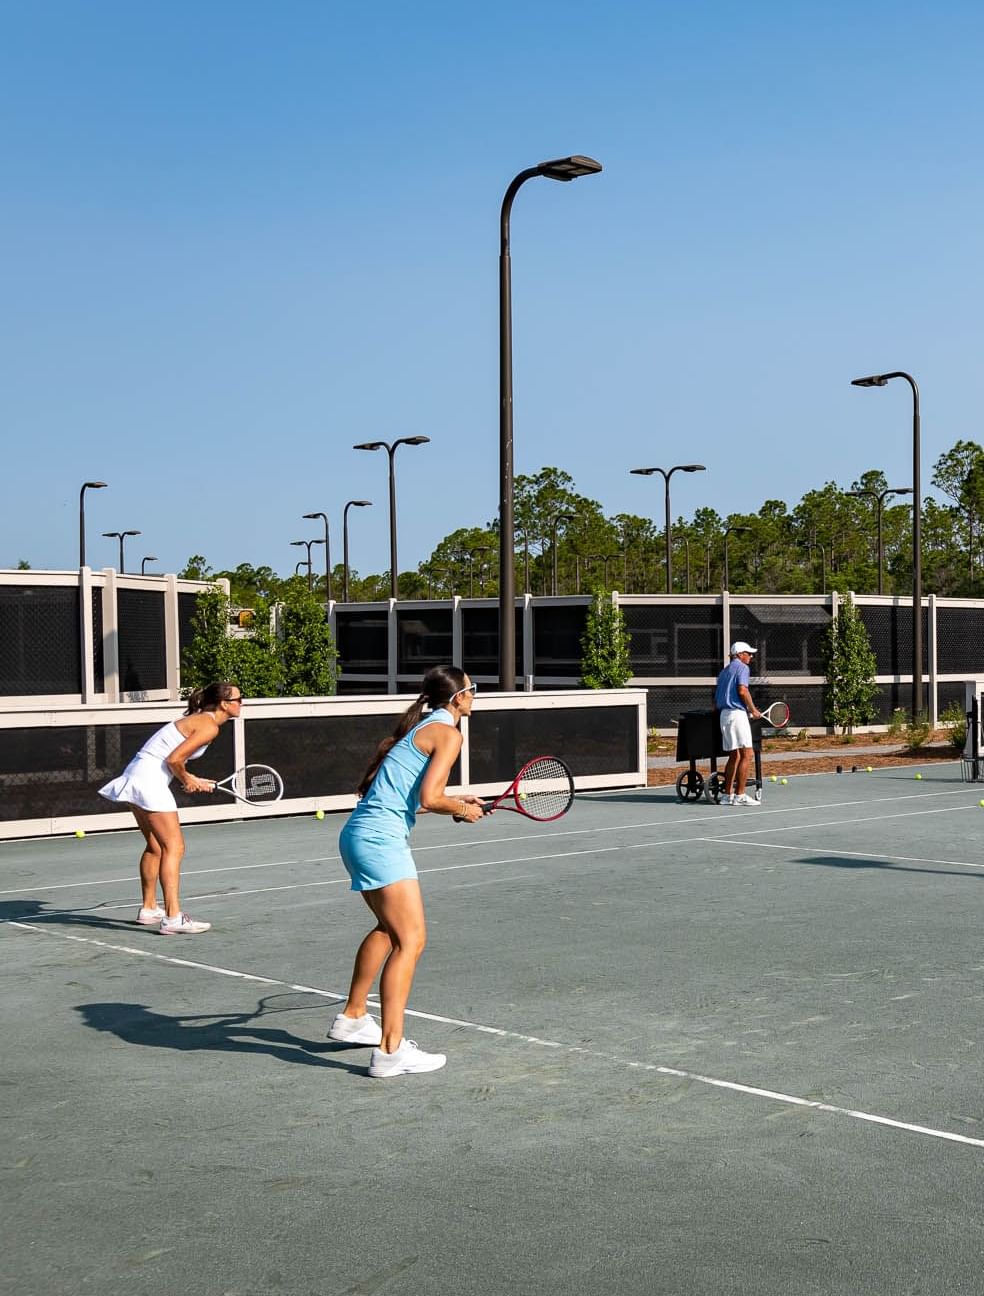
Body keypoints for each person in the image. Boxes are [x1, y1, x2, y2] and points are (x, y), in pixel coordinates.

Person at [329, 664, 484, 1078]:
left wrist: (458, 802)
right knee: (411, 941)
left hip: (359, 835)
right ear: (457, 698)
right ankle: (390, 1051)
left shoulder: (424, 728)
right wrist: (460, 808)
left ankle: (353, 1017)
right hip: (379, 841)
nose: (474, 696)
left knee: (388, 929)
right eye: (473, 689)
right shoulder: (448, 732)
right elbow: (433, 798)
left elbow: (413, 798)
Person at [98, 681, 243, 933]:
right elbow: (173, 759)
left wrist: (192, 779)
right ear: (224, 704)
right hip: (149, 781)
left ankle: (149, 909)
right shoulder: (209, 726)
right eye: (239, 700)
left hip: (136, 774)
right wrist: (187, 779)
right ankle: (173, 917)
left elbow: (172, 760)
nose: (242, 704)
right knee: (174, 847)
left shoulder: (201, 720)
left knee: (155, 846)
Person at [715, 642, 762, 806]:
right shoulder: (742, 668)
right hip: (736, 715)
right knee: (747, 754)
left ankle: (727, 796)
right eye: (748, 653)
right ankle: (740, 795)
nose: (751, 656)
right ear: (740, 654)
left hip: (724, 716)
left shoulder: (724, 671)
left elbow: (719, 697)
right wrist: (753, 709)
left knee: (734, 755)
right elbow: (742, 690)